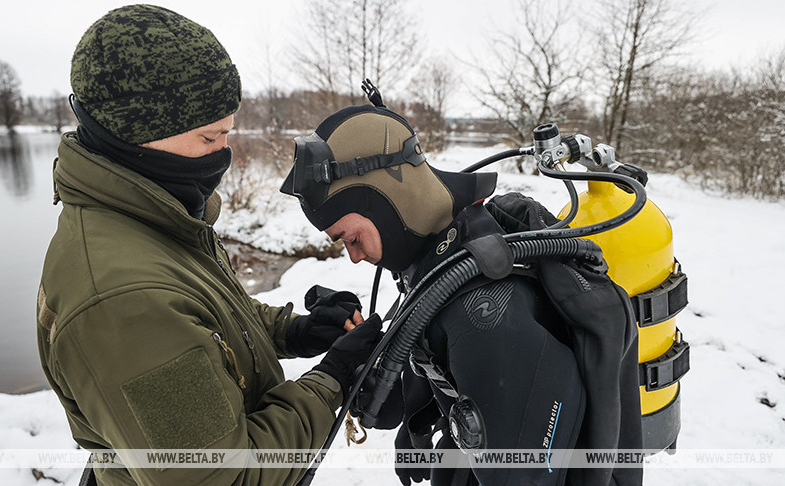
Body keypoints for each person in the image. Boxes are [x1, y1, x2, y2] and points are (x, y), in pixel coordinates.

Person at [36, 5, 383, 485]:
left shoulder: (155, 215)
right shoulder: (122, 303)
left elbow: (207, 322)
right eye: (209, 136)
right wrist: (333, 379)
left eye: (228, 132)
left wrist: (295, 331)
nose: (224, 151)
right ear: (138, 133)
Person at [280, 104, 644, 485]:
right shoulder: (442, 256)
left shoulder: (486, 313)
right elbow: (430, 368)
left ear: (387, 200)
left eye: (351, 238)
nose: (354, 257)